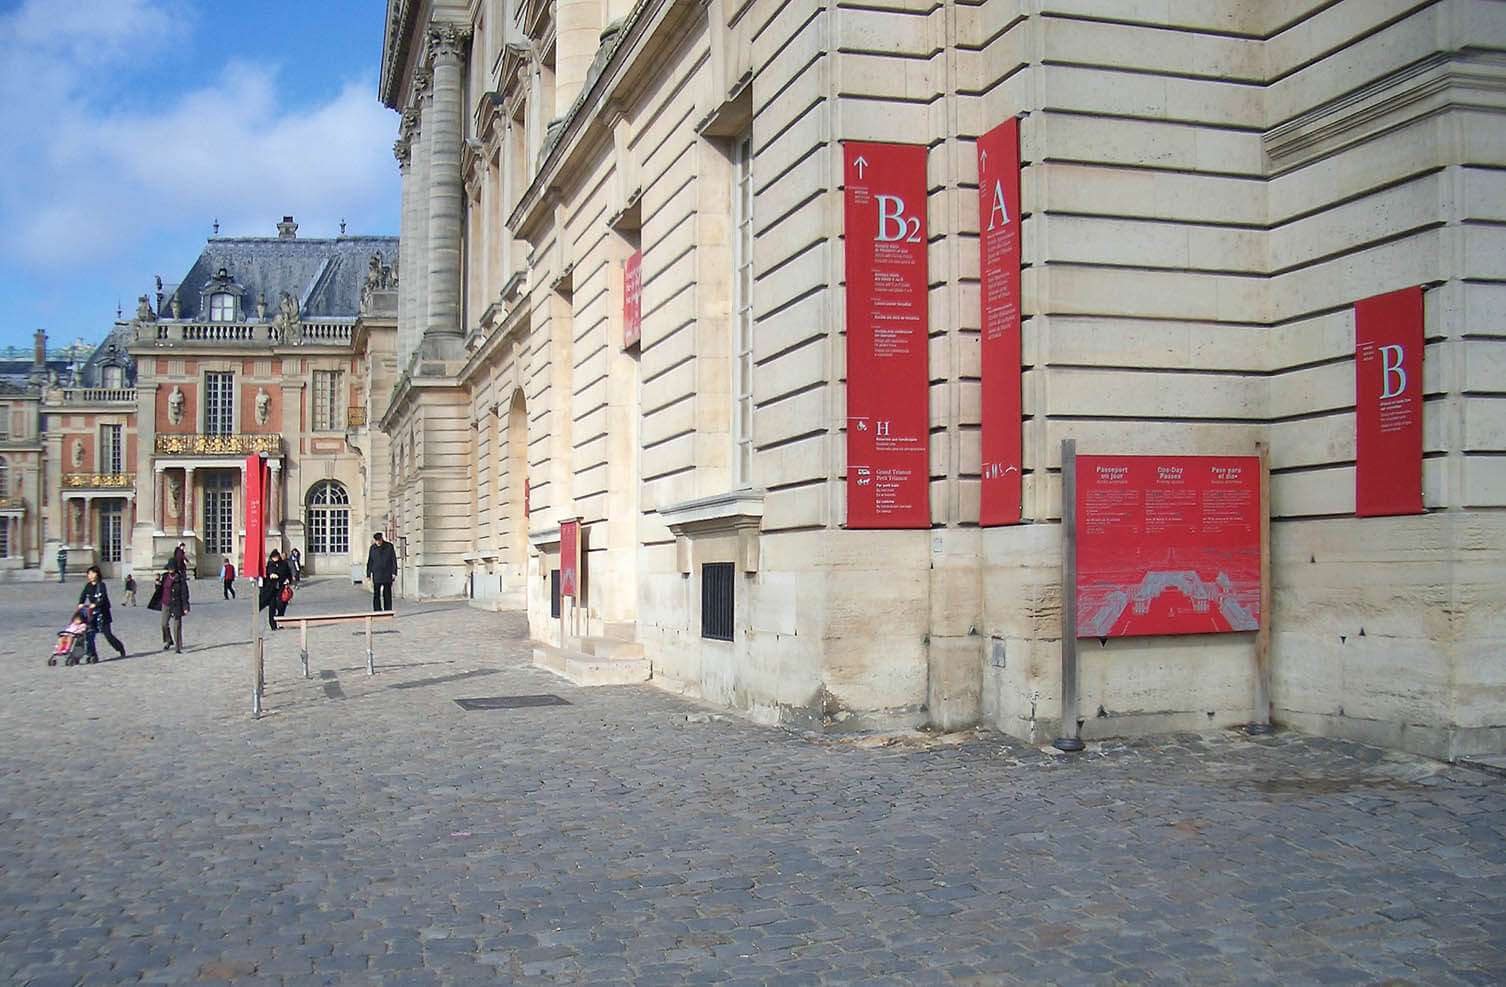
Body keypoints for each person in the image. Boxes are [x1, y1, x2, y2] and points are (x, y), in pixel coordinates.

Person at [78, 565, 126, 662]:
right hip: (92, 615)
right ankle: (92, 654)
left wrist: (95, 605)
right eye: (89, 574)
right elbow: (83, 596)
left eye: (92, 573)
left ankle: (120, 647)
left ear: (97, 574)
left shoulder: (101, 585)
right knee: (89, 635)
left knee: (108, 635)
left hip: (103, 614)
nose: (90, 576)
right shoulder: (88, 586)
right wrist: (81, 604)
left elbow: (103, 598)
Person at [148, 562, 190, 653]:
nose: (170, 570)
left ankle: (178, 647)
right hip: (166, 603)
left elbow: (184, 593)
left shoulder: (180, 578)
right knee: (164, 624)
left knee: (177, 626)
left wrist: (185, 606)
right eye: (169, 568)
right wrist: (157, 583)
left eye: (172, 568)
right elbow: (160, 589)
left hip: (177, 604)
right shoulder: (165, 577)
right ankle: (168, 640)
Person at [259, 549, 294, 630]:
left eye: (276, 557)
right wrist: (270, 576)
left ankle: (280, 622)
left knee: (281, 606)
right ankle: (273, 625)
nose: (275, 559)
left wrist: (288, 579)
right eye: (273, 557)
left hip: (281, 588)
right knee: (272, 608)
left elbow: (289, 575)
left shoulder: (284, 565)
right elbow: (265, 577)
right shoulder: (269, 566)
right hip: (271, 590)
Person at [366, 532, 397, 612]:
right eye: (376, 541)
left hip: (387, 573)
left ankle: (388, 609)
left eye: (379, 540)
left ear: (382, 539)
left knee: (387, 593)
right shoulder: (373, 548)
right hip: (377, 573)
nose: (378, 542)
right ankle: (377, 610)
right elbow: (370, 561)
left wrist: (394, 572)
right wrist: (368, 573)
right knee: (376, 594)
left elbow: (393, 560)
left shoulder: (389, 546)